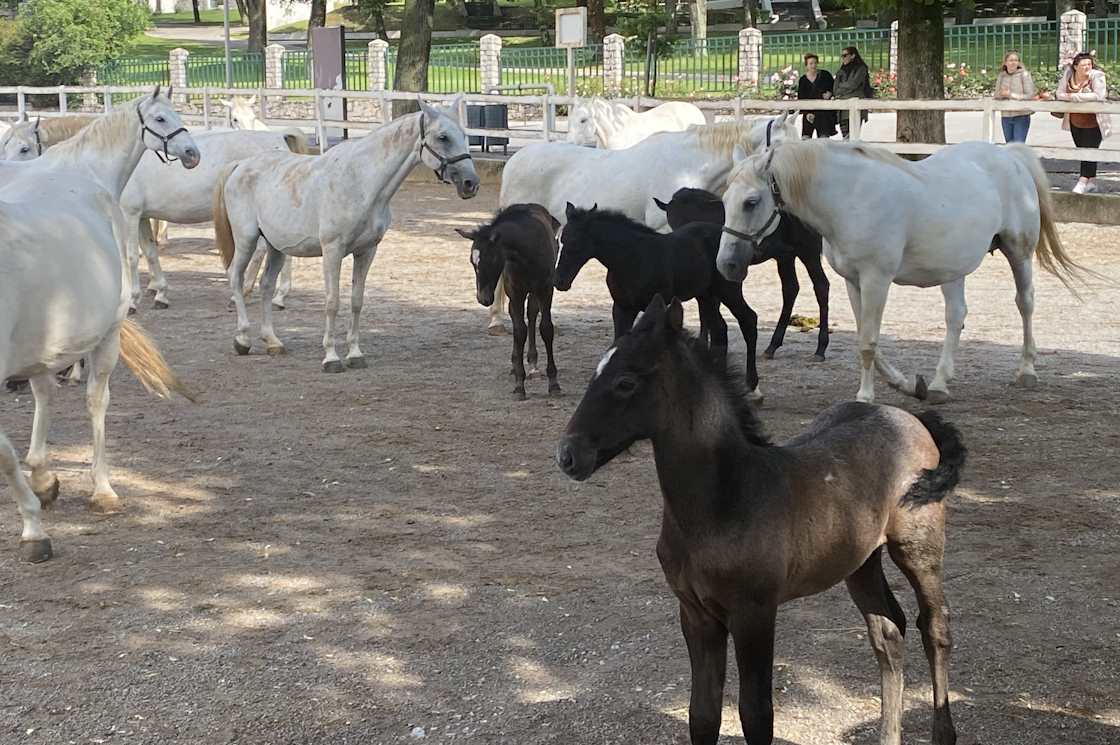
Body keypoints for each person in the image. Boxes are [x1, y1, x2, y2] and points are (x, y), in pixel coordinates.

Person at [1057, 52, 1111, 194]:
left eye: (1089, 64)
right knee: (1082, 150)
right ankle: (1091, 182)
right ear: (1075, 66)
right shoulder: (1068, 75)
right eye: (1083, 64)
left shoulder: (1097, 76)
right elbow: (1060, 93)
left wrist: (1074, 96)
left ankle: (1082, 182)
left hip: (1094, 122)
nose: (1087, 67)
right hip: (1075, 121)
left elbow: (1099, 95)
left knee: (1089, 151)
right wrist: (1070, 96)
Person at [993, 50, 1037, 143]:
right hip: (1006, 115)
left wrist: (1011, 95)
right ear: (1005, 62)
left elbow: (1030, 95)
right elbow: (996, 94)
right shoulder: (1002, 76)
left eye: (1016, 60)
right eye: (1011, 60)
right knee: (1009, 144)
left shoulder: (1024, 74)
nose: (1013, 63)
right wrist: (1001, 95)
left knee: (1018, 144)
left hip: (1021, 115)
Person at [833, 46, 871, 140]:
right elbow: (835, 89)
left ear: (853, 55)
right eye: (842, 56)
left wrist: (841, 87)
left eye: (845, 55)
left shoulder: (861, 68)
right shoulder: (841, 70)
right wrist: (843, 88)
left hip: (856, 106)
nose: (843, 58)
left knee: (854, 137)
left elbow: (853, 84)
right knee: (845, 137)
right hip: (842, 109)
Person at [797, 53, 836, 139]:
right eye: (811, 63)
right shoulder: (803, 80)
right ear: (806, 65)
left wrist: (830, 93)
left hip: (823, 114)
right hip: (809, 114)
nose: (813, 65)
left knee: (823, 139)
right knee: (806, 139)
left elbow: (834, 87)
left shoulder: (825, 75)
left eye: (815, 63)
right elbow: (801, 99)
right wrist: (806, 113)